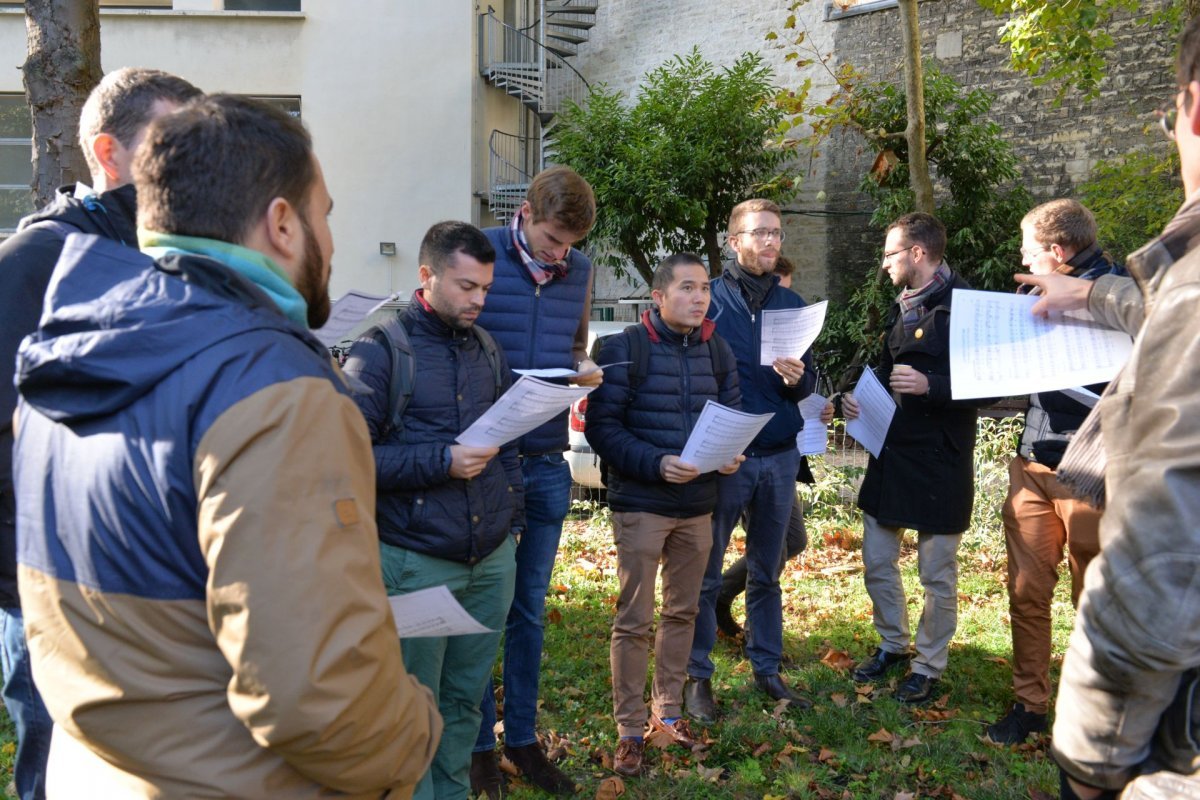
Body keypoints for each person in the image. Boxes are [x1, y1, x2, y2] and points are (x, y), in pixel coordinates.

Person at [12, 94, 440, 798]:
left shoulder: (64, 359)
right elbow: (320, 699)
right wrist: (415, 737)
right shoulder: (278, 391)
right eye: (324, 214)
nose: (330, 239)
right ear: (281, 223)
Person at [0, 66, 201, 800]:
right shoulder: (32, 265)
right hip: (54, 594)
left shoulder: (177, 257)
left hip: (161, 583)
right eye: (171, 145)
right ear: (108, 153)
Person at [1016, 17, 1200, 798]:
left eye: (1167, 122)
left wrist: (1091, 758)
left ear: (1195, 111)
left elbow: (1161, 555)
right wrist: (1093, 293)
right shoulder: (1169, 290)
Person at [341, 221, 522, 800]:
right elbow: (349, 459)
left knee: (465, 699)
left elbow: (506, 445)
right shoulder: (380, 349)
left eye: (486, 289)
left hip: (490, 559)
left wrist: (511, 521)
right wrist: (441, 461)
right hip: (416, 562)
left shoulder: (487, 347)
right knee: (413, 705)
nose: (478, 300)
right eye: (467, 287)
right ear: (427, 276)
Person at [584, 253, 743, 777]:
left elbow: (734, 414)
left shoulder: (718, 349)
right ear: (658, 296)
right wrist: (656, 463)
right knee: (634, 619)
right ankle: (630, 727)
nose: (700, 298)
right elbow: (601, 430)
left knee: (683, 613)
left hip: (699, 507)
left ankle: (668, 712)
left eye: (704, 289)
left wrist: (732, 453)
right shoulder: (621, 350)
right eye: (688, 288)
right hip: (642, 505)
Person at [471, 165, 600, 797]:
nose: (560, 254)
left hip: (547, 460)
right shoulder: (480, 253)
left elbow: (574, 344)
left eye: (569, 245)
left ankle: (521, 739)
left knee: (529, 611)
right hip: (488, 461)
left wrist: (583, 369)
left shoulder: (580, 268)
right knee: (482, 610)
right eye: (552, 240)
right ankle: (477, 748)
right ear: (523, 212)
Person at [985, 200, 1124, 746]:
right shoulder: (1029, 297)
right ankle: (1030, 704)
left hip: (1094, 474)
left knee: (1094, 597)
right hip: (1032, 466)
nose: (1022, 259)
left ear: (1057, 253)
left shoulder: (1121, 297)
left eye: (1028, 250)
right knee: (1026, 591)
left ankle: (1099, 712)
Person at [844, 212, 987, 705]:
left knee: (936, 574)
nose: (884, 265)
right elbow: (887, 368)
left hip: (940, 460)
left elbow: (993, 385)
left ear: (917, 254)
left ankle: (928, 665)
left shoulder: (967, 307)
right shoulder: (902, 304)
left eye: (890, 254)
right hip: (891, 454)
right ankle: (892, 644)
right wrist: (858, 396)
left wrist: (933, 387)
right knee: (877, 561)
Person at [684, 198, 816, 723]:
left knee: (768, 569)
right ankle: (698, 677)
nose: (770, 242)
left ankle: (767, 669)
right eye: (759, 233)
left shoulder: (795, 306)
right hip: (725, 456)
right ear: (734, 242)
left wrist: (799, 380)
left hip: (780, 453)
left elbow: (811, 382)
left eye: (777, 234)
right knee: (707, 572)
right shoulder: (708, 302)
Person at [715, 254, 833, 641]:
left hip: (782, 454)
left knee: (790, 543)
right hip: (735, 455)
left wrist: (809, 395)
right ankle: (719, 607)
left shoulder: (791, 308)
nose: (781, 298)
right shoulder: (719, 304)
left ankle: (754, 637)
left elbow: (801, 388)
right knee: (767, 550)